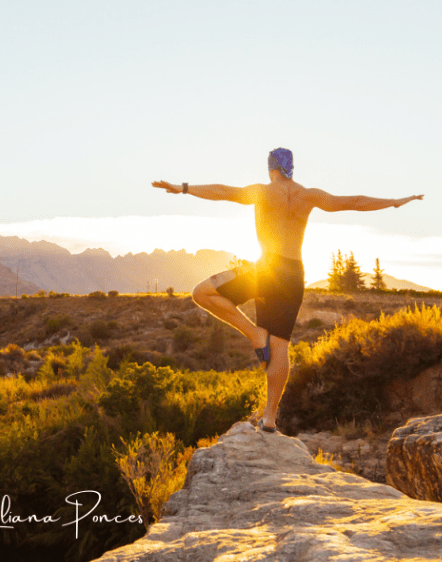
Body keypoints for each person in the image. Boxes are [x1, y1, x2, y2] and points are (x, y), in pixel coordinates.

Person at [152, 147, 423, 433]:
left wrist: (182, 188)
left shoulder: (263, 191)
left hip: (266, 270)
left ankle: (253, 333)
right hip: (294, 274)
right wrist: (395, 202)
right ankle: (270, 417)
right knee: (280, 345)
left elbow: (222, 191)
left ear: (271, 169)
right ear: (292, 168)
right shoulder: (310, 196)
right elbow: (354, 201)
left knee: (202, 293)